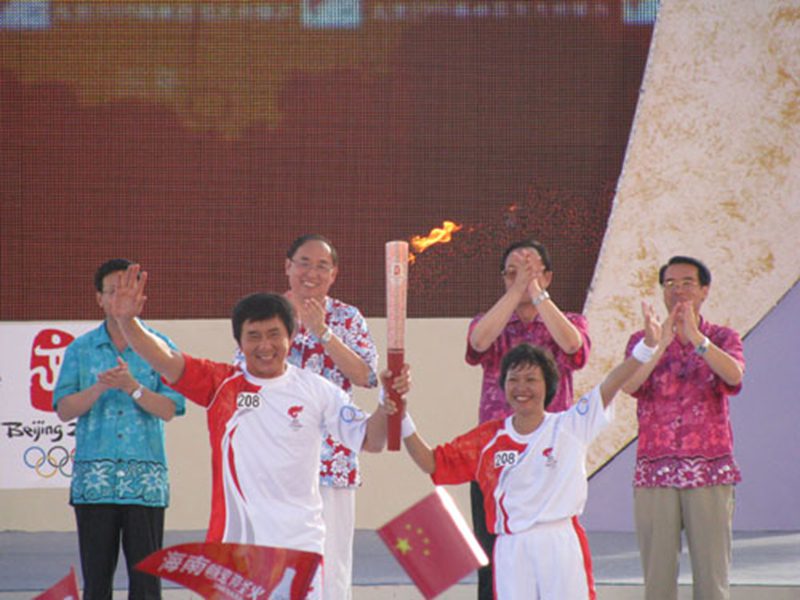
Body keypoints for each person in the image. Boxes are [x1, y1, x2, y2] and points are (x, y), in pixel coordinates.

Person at [108, 264, 405, 599]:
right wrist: (128, 322)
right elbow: (165, 359)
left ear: (291, 336)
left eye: (274, 334)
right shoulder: (221, 385)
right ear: (239, 341)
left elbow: (371, 440)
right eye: (254, 336)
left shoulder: (317, 390)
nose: (265, 346)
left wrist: (387, 403)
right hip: (235, 550)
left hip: (300, 550)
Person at [401, 306, 662, 599]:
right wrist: (402, 418)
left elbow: (610, 385)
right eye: (513, 380)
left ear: (547, 385)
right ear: (503, 385)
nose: (521, 388)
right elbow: (431, 462)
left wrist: (646, 348)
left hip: (560, 543)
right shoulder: (487, 439)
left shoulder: (569, 426)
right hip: (512, 548)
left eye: (531, 380)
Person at [233, 234, 378, 600]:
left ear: (334, 274)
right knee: (272, 566)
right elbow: (242, 384)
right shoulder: (266, 313)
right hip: (272, 468)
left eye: (321, 266)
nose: (312, 273)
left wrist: (322, 332)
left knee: (331, 567)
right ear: (288, 266)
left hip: (332, 461)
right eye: (304, 263)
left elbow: (366, 376)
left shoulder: (347, 317)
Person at [53, 258, 186, 600]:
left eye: (127, 291)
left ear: (141, 297)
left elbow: (170, 408)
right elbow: (64, 409)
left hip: (145, 483)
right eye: (112, 291)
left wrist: (133, 387)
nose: (119, 299)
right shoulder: (80, 349)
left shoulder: (160, 347)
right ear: (99, 298)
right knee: (96, 582)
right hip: (94, 484)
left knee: (147, 584)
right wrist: (99, 387)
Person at [465, 239, 591, 598]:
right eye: (511, 273)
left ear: (547, 276)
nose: (520, 279)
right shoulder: (491, 321)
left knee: (552, 557)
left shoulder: (569, 321)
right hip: (497, 456)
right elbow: (477, 344)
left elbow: (573, 347)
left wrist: (535, 293)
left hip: (550, 456)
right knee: (491, 556)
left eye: (532, 272)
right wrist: (517, 289)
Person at [622, 256, 745, 600]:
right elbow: (630, 384)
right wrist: (659, 343)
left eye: (687, 283)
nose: (678, 291)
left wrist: (697, 339)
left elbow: (734, 375)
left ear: (704, 290)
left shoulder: (723, 337)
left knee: (712, 577)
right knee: (657, 579)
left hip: (708, 472)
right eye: (670, 284)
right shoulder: (642, 339)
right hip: (655, 472)